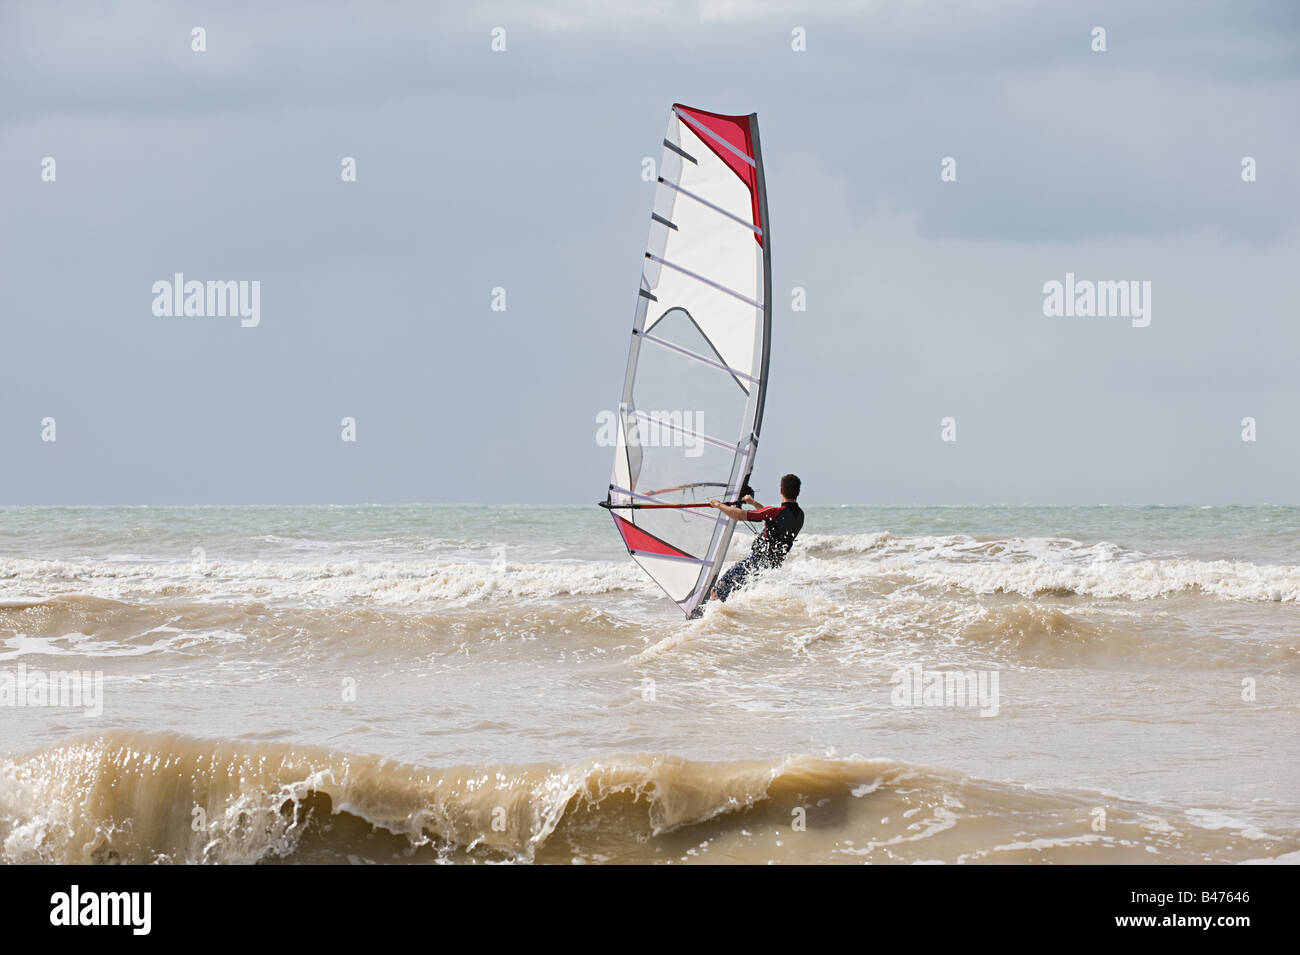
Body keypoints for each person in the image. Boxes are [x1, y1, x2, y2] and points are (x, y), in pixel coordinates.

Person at [707, 474, 804, 602]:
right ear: (798, 492)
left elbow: (739, 515)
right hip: (772, 567)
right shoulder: (800, 515)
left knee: (717, 591)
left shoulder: (774, 512)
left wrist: (718, 504)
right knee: (735, 595)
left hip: (755, 563)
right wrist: (752, 502)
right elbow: (771, 517)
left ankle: (708, 619)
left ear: (781, 490)